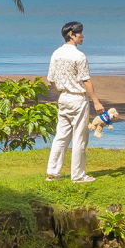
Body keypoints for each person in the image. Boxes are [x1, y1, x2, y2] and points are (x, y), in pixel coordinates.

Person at [46, 20, 104, 183]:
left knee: (61, 136)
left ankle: (53, 172)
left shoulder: (56, 53)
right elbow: (86, 81)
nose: (83, 36)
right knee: (80, 137)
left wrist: (60, 92)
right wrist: (96, 102)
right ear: (71, 35)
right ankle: (78, 175)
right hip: (78, 99)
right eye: (80, 33)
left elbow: (51, 79)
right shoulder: (79, 56)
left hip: (63, 98)